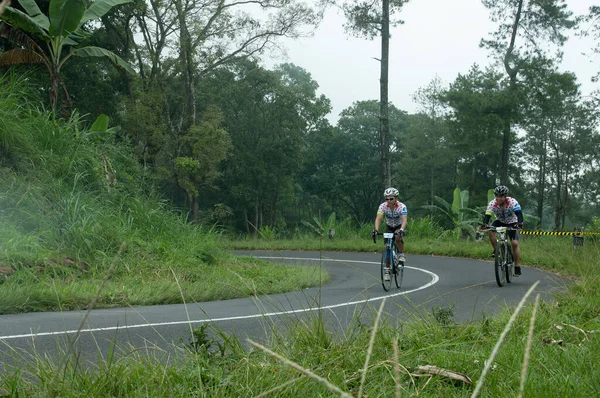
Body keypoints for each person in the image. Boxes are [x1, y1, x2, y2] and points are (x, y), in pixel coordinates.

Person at [482, 185, 524, 276]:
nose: (498, 198)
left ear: (505, 196)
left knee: (515, 244)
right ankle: (496, 249)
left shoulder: (512, 202)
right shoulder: (492, 203)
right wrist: (484, 224)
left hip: (513, 222)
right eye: (497, 196)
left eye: (501, 196)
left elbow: (519, 214)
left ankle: (517, 267)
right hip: (500, 221)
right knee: (490, 229)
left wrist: (520, 223)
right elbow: (487, 215)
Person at [372, 188, 407, 281]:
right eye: (387, 199)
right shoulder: (382, 206)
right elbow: (378, 218)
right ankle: (387, 270)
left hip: (399, 225)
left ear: (396, 198)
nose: (389, 201)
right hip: (389, 226)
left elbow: (404, 220)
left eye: (391, 199)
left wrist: (402, 229)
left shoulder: (401, 206)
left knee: (397, 236)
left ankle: (401, 255)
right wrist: (376, 230)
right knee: (387, 247)